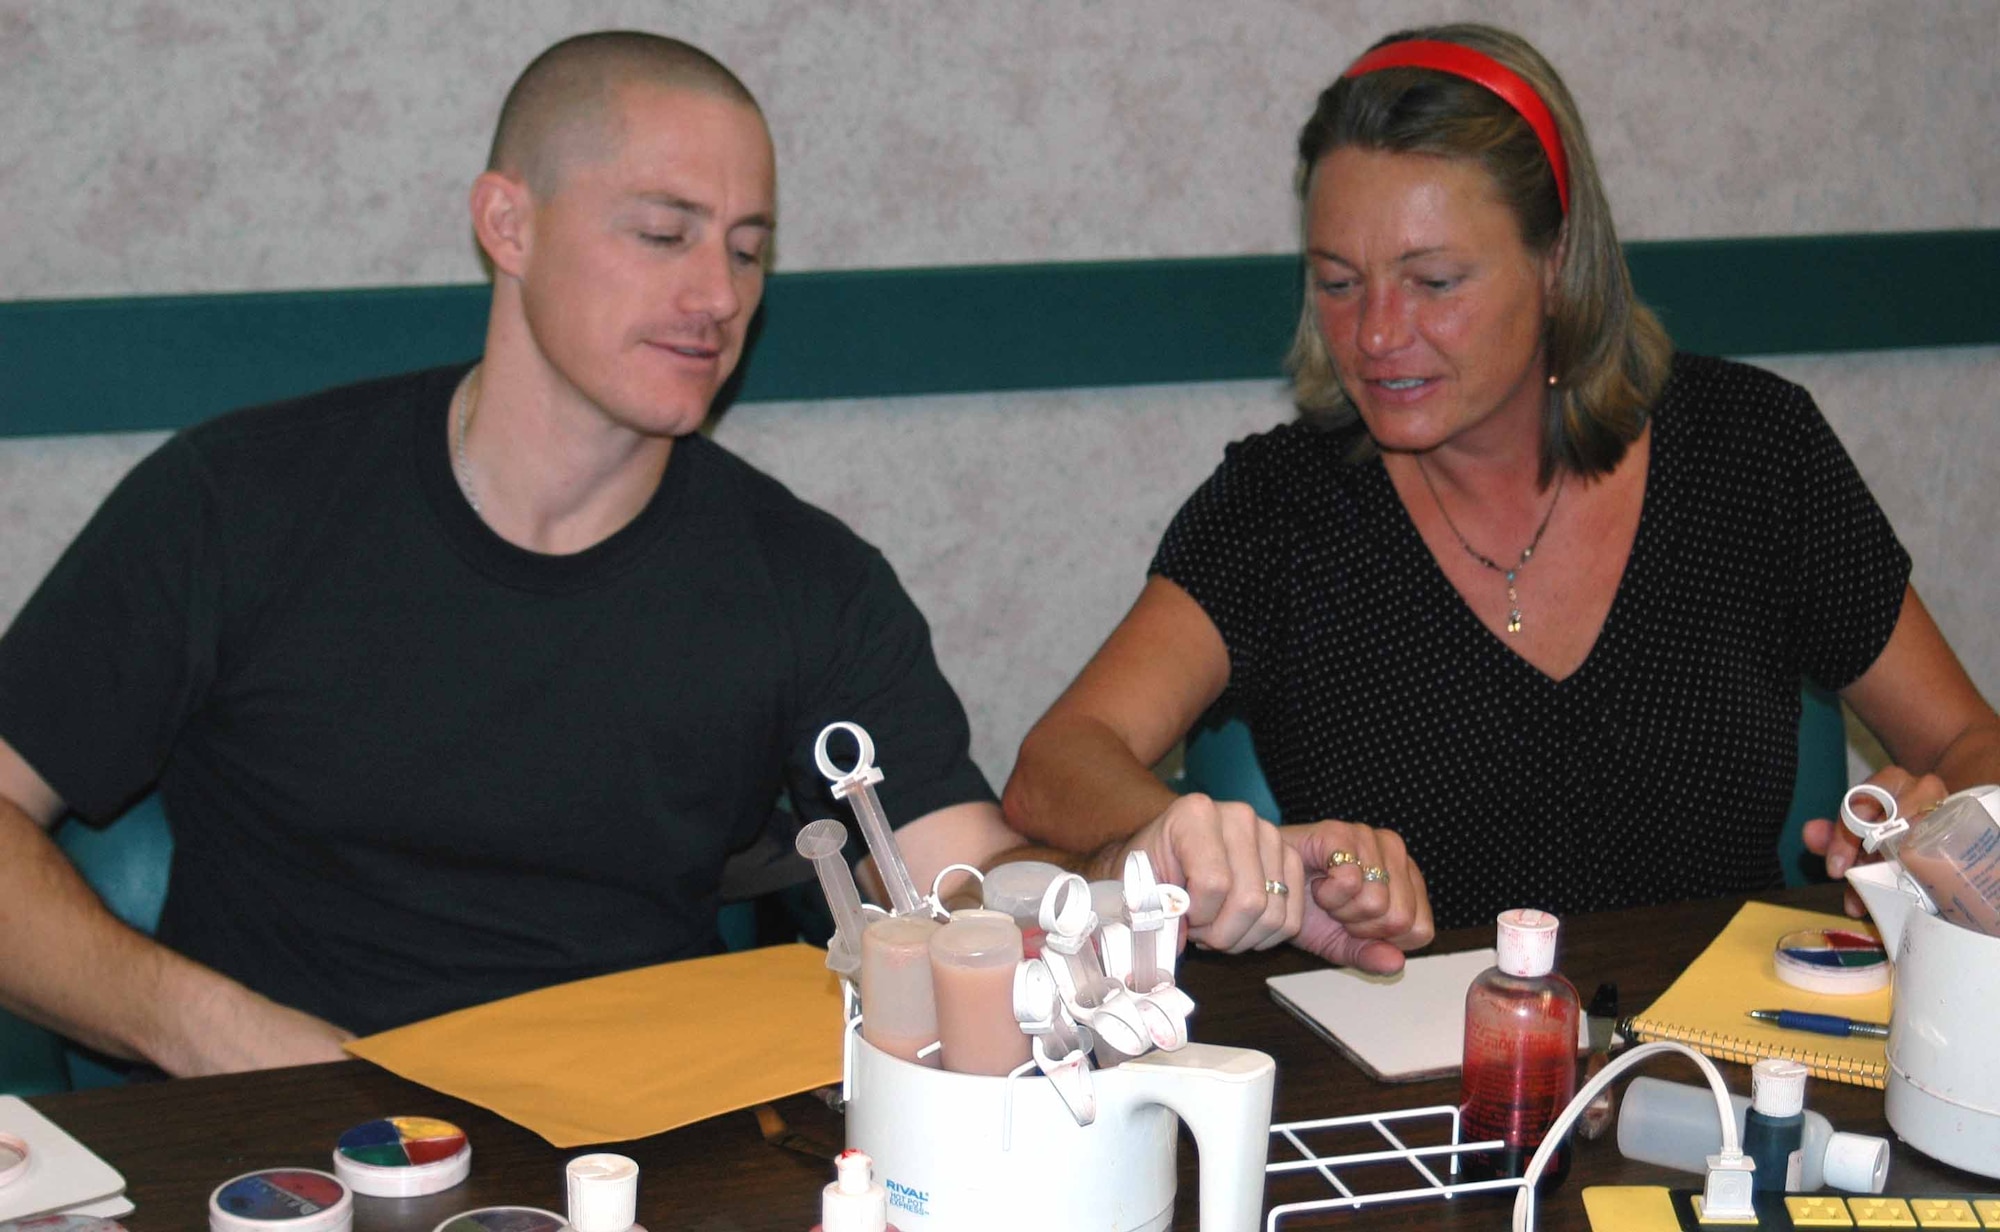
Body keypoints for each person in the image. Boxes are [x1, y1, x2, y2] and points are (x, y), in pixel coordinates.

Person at [0, 31, 1053, 1077]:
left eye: (743, 247)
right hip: (285, 1129)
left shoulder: (806, 580)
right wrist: (220, 1035)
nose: (721, 295)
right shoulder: (237, 501)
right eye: (661, 233)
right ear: (508, 224)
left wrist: (1096, 888)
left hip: (635, 1144)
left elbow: (956, 868)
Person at [1003, 24, 2000, 935]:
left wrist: (1940, 823)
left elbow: (1968, 737)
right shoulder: (1281, 506)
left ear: (1555, 262)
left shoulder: (1752, 452)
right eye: (1339, 283)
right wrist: (1188, 833)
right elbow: (1056, 765)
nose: (1377, 334)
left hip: (1726, 1075)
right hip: (1412, 1088)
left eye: (1434, 282)